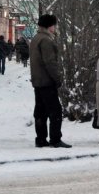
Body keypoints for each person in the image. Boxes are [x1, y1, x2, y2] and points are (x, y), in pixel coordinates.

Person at [29, 14, 71, 148]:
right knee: (55, 111)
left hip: (38, 81)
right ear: (49, 26)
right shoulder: (46, 40)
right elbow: (50, 63)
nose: (55, 27)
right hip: (47, 81)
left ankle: (40, 139)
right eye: (54, 25)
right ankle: (55, 139)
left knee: (40, 112)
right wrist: (57, 79)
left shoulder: (36, 38)